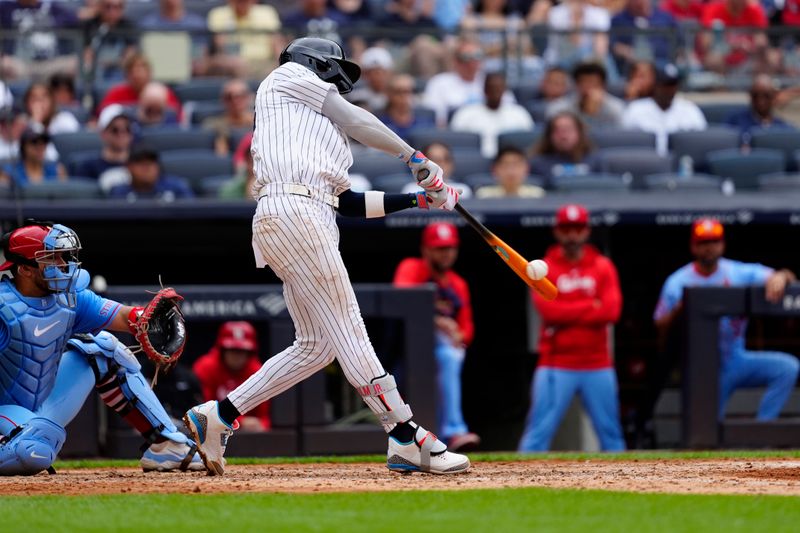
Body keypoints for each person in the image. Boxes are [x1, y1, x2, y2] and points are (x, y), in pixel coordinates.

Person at [183, 37, 468, 476]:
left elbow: (348, 202)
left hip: (306, 214)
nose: (340, 80)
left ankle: (218, 416)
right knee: (350, 324)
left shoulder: (317, 132)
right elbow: (354, 117)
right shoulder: (286, 78)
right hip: (296, 212)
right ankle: (404, 434)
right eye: (335, 69)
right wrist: (413, 157)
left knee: (316, 346)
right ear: (315, 62)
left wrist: (417, 202)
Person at [0, 221, 204, 474]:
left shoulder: (70, 298)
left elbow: (126, 317)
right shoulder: (3, 305)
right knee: (33, 452)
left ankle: (166, 444)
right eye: (51, 258)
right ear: (25, 269)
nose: (64, 264)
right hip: (4, 412)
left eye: (63, 256)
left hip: (43, 409)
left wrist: (145, 319)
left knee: (103, 349)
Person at [653, 218, 800, 421]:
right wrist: (681, 310)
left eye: (714, 241)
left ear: (722, 244)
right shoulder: (677, 282)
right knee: (705, 434)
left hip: (735, 359)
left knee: (788, 368)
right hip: (701, 366)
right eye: (703, 242)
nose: (709, 248)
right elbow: (660, 327)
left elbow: (785, 276)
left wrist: (781, 276)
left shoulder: (737, 272)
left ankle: (762, 431)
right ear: (693, 247)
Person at [519, 204, 626, 452]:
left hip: (597, 363)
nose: (572, 235)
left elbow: (611, 311)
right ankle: (520, 487)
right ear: (557, 231)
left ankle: (625, 488)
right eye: (567, 229)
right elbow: (549, 311)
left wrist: (568, 308)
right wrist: (591, 305)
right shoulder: (543, 266)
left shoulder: (602, 266)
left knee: (611, 435)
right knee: (537, 435)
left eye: (577, 229)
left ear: (586, 231)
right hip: (556, 364)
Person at [393, 222, 480, 453]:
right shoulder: (412, 267)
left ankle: (446, 437)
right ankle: (453, 431)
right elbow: (401, 297)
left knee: (450, 355)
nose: (446, 253)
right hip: (407, 349)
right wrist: (435, 319)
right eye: (440, 248)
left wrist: (457, 333)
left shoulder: (458, 284)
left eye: (450, 248)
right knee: (447, 356)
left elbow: (467, 330)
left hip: (441, 352)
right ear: (426, 250)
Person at [193, 322, 271, 431]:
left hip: (247, 437)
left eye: (242, 351)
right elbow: (202, 412)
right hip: (211, 432)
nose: (237, 356)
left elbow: (264, 417)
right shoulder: (206, 367)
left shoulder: (257, 371)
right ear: (222, 350)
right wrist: (241, 422)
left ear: (250, 352)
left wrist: (261, 426)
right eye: (232, 350)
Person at [621, 63, 706, 156]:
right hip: (646, 163)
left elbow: (701, 143)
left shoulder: (690, 109)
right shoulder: (635, 110)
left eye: (672, 85)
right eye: (665, 85)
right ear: (655, 85)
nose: (669, 90)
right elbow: (625, 144)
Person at [451, 72, 535, 158]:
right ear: (484, 90)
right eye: (491, 88)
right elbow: (456, 142)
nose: (495, 92)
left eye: (499, 88)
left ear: (504, 90)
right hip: (477, 162)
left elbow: (530, 144)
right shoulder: (465, 113)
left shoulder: (519, 113)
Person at [207, 0, 283, 78]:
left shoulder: (267, 12)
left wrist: (283, 65)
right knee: (236, 65)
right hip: (231, 64)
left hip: (263, 63)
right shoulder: (218, 14)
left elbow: (276, 42)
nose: (242, 2)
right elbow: (220, 46)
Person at [97, 53, 182, 118]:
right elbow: (102, 116)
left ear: (149, 73)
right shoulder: (116, 93)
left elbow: (176, 116)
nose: (137, 75)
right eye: (133, 72)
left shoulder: (162, 93)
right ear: (127, 75)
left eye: (141, 71)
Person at [546, 62, 625, 130]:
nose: (588, 89)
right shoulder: (560, 108)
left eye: (593, 83)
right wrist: (588, 114)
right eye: (584, 83)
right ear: (576, 86)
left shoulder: (616, 108)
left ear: (603, 86)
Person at [530, 111, 602, 186]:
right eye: (558, 131)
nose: (563, 136)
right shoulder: (536, 164)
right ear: (549, 135)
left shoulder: (596, 161)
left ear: (579, 133)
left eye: (568, 130)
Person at [610, 0, 680, 76]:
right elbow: (613, 44)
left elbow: (680, 42)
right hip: (632, 67)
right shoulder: (618, 20)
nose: (639, 2)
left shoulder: (665, 18)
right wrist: (625, 51)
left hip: (664, 63)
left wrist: (680, 55)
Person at [74, 104, 133, 191]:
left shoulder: (141, 165)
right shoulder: (87, 167)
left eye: (127, 129)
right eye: (115, 130)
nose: (122, 134)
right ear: (103, 134)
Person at [725, 74, 795, 146]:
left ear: (774, 96)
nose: (761, 101)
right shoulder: (734, 121)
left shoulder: (783, 128)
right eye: (755, 95)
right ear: (750, 95)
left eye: (766, 96)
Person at [108, 144, 194, 200]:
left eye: (151, 163)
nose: (147, 168)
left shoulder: (176, 188)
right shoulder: (119, 193)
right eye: (141, 163)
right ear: (129, 167)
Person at [81, 0, 139, 82]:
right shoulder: (90, 25)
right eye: (108, 6)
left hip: (118, 69)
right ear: (100, 6)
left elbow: (130, 56)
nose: (112, 11)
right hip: (95, 68)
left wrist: (113, 62)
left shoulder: (129, 27)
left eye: (118, 7)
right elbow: (86, 53)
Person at [22, 82, 80, 161]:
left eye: (44, 97)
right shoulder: (21, 126)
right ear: (27, 103)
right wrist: (36, 123)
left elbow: (52, 158)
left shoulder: (65, 120)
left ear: (52, 100)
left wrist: (37, 124)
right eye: (34, 98)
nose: (39, 103)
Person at [202, 79, 254, 157]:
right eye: (229, 97)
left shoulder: (262, 122)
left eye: (241, 96)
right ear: (223, 100)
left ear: (248, 97)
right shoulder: (215, 124)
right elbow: (221, 156)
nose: (235, 101)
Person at [1, 127, 67, 187]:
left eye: (44, 142)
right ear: (24, 146)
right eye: (34, 142)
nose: (40, 147)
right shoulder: (9, 174)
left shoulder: (58, 171)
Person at [378, 74, 435, 141]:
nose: (403, 96)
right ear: (388, 94)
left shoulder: (426, 118)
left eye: (408, 91)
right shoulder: (379, 120)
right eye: (398, 92)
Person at [475, 146, 545, 198]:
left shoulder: (537, 195)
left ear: (526, 169)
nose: (511, 171)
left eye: (516, 165)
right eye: (505, 165)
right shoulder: (484, 195)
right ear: (494, 169)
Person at [348, 47, 394, 114]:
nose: (379, 77)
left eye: (383, 72)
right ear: (364, 74)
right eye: (374, 72)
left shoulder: (397, 95)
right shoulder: (356, 96)